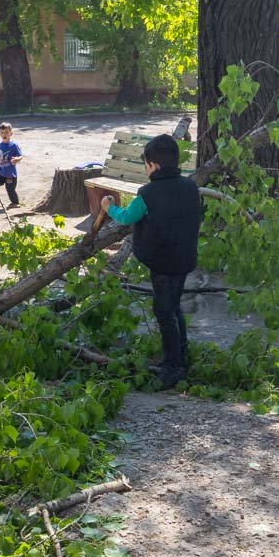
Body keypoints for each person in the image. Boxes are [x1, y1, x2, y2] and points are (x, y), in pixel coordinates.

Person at [101, 134, 203, 390]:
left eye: (146, 165)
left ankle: (173, 367)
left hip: (162, 262)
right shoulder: (190, 187)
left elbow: (127, 216)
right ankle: (181, 353)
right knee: (175, 306)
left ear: (153, 166)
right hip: (184, 258)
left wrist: (107, 207)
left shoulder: (148, 193)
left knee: (163, 312)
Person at [0, 122, 22, 207]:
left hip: (10, 173)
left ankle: (15, 203)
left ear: (11, 133)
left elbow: (21, 156)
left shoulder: (13, 145)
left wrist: (17, 159)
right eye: (2, 132)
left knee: (10, 189)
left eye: (6, 132)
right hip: (1, 171)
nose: (4, 134)